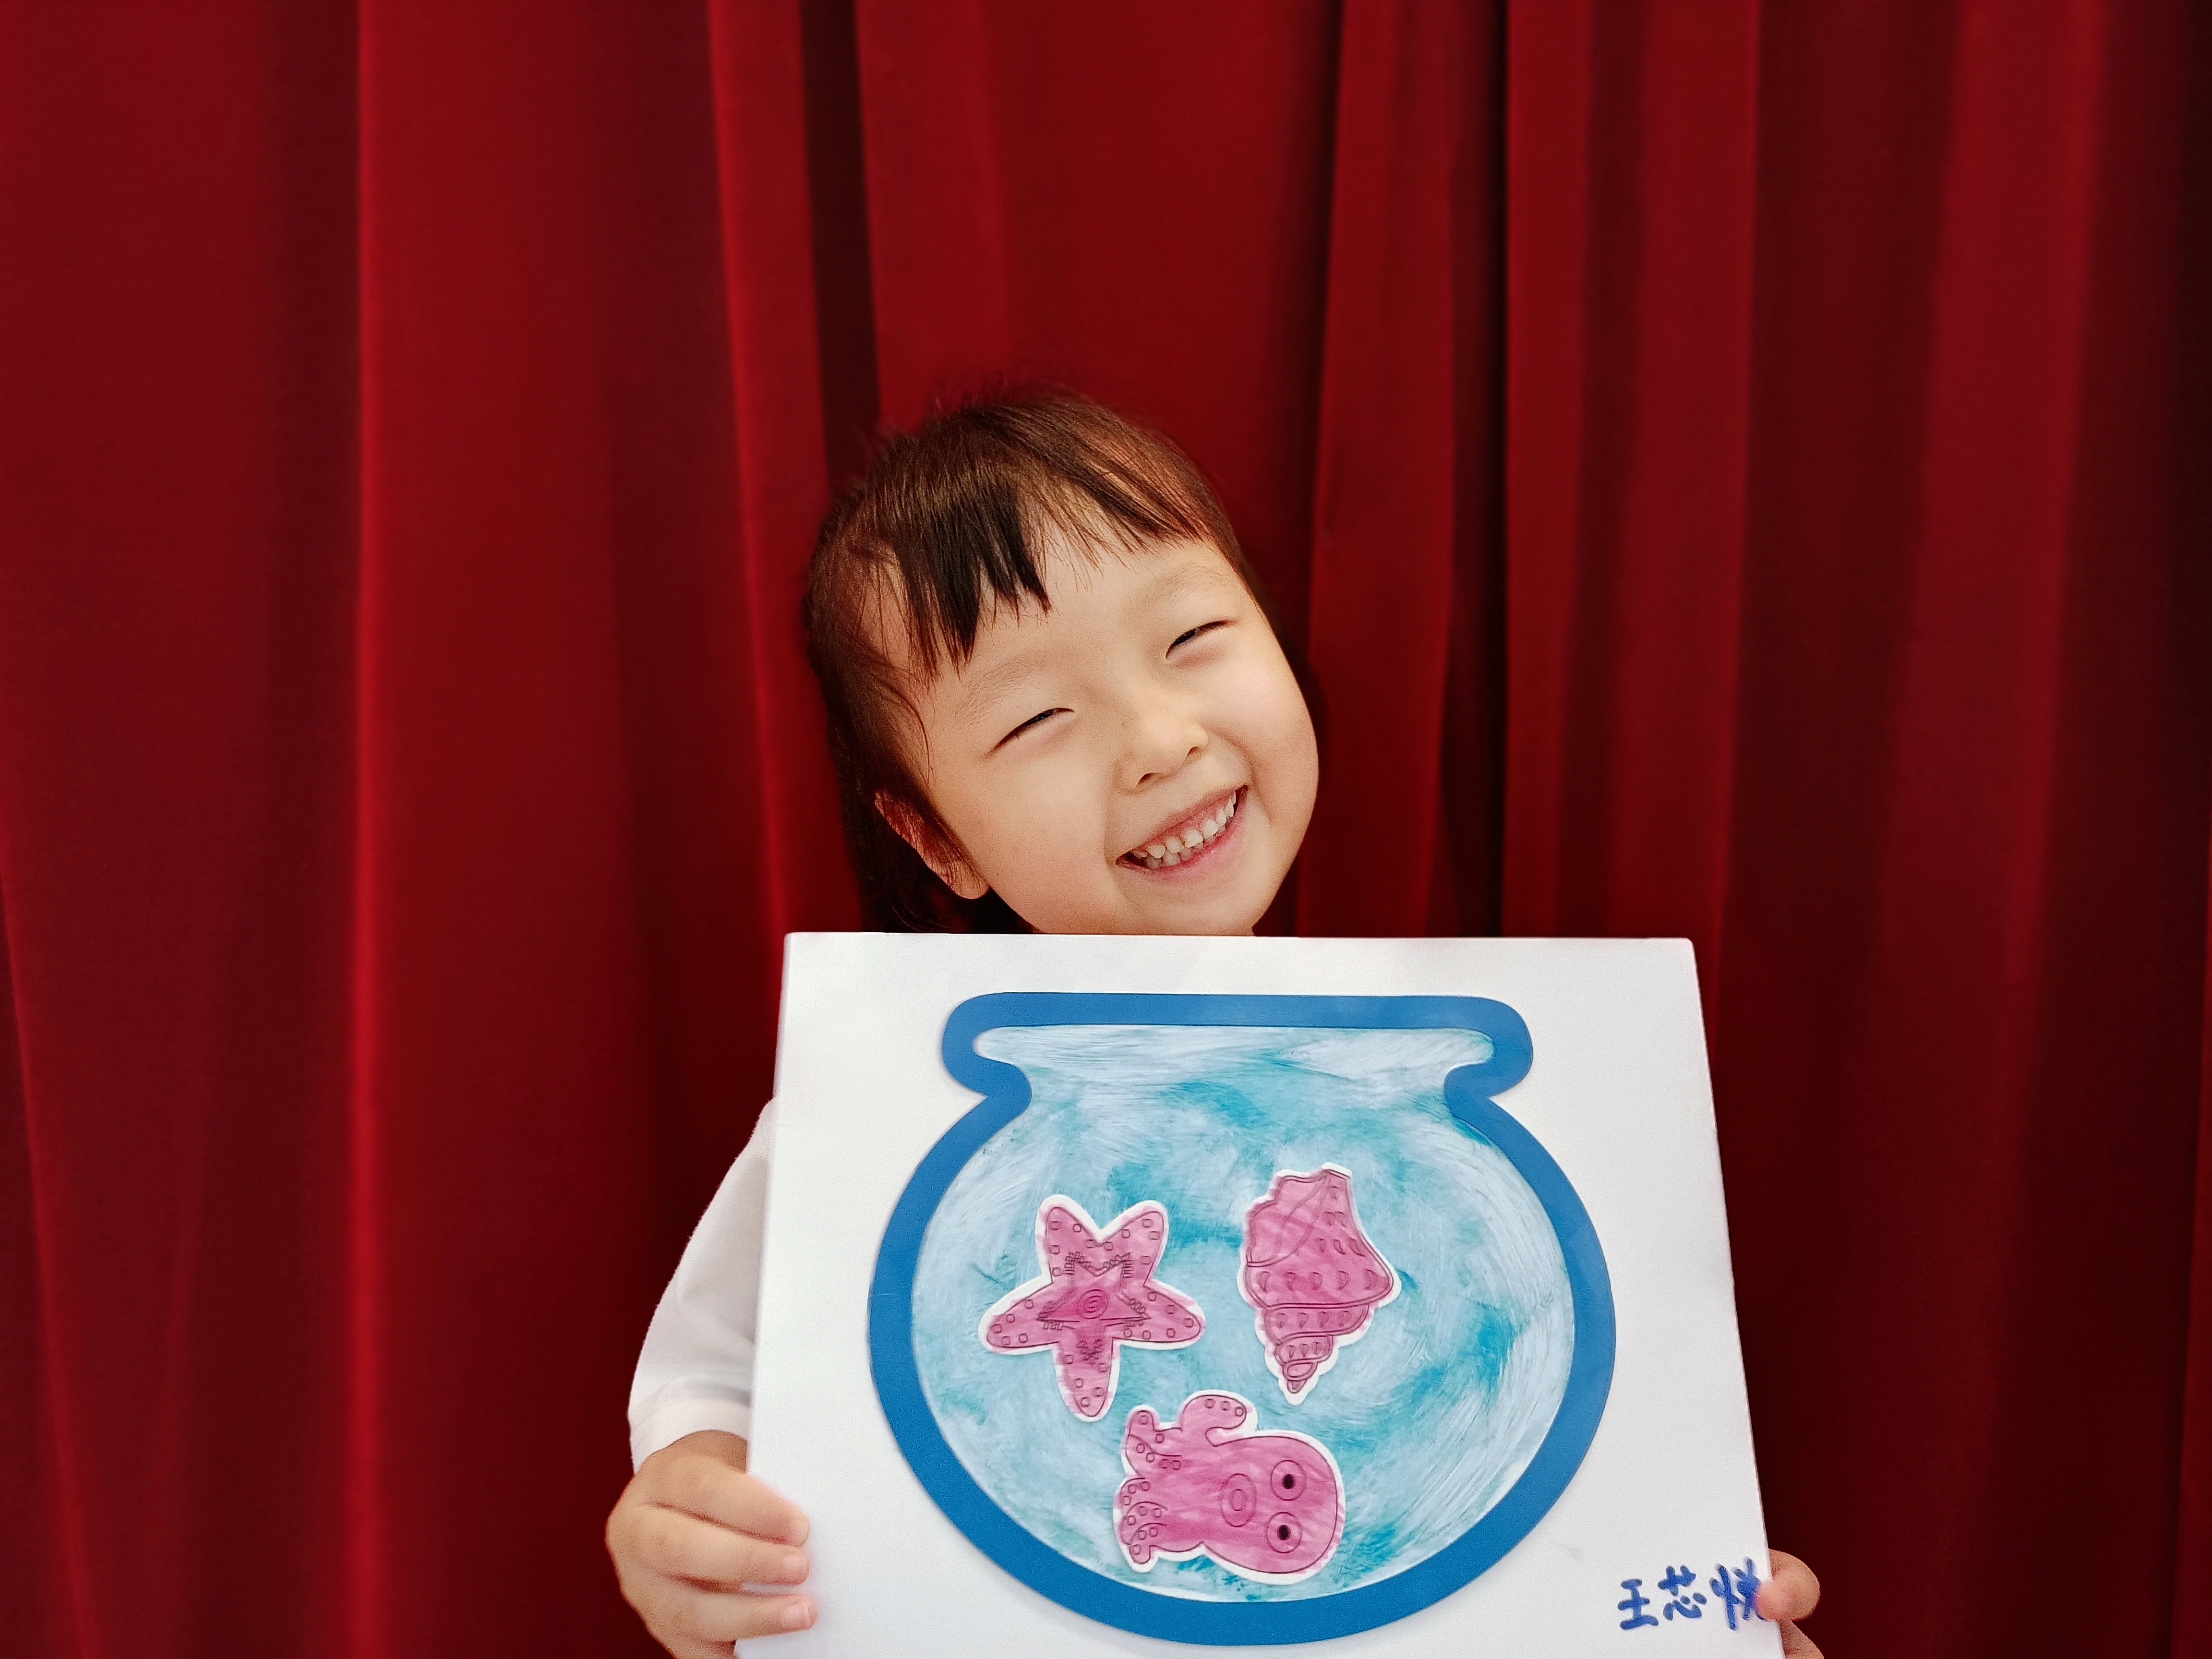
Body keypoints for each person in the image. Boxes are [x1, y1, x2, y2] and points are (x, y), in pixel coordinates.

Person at [603, 393, 1823, 1658]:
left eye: (1191, 637)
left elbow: (1601, 1480)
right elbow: (712, 1373)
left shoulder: (1461, 1089)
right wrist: (693, 1513)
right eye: (1037, 718)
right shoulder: (878, 1110)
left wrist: (1691, 1614)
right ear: (934, 836)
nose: (1159, 740)